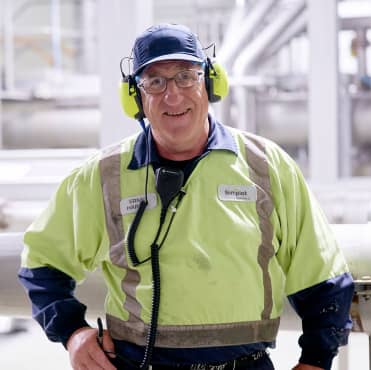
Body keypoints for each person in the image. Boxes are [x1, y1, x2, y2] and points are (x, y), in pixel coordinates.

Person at [19, 23, 354, 370]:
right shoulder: (103, 176)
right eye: (155, 82)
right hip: (140, 362)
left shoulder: (267, 166)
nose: (173, 96)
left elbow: (322, 274)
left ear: (210, 84)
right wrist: (73, 332)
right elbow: (42, 264)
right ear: (135, 96)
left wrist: (315, 360)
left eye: (185, 76)